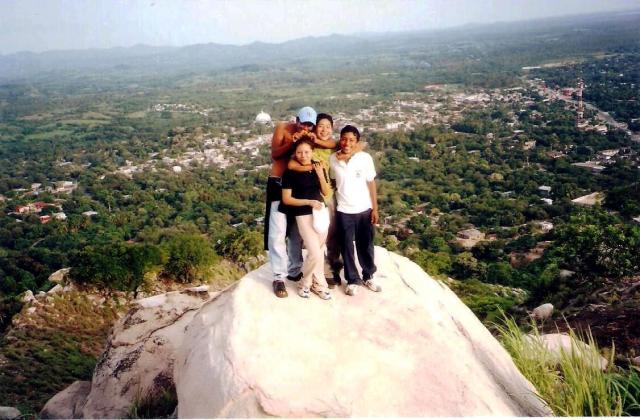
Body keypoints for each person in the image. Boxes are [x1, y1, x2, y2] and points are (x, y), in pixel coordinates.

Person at [265, 106, 316, 298]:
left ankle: (295, 271)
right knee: (278, 230)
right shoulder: (283, 128)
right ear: (296, 120)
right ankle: (279, 276)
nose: (306, 127)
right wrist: (291, 143)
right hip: (278, 183)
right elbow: (275, 155)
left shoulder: (310, 137)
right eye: (303, 122)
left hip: (298, 186)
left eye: (310, 124)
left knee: (296, 232)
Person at [329, 125, 381, 296]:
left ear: (357, 142)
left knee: (365, 245)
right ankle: (352, 279)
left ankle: (368, 275)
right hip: (344, 210)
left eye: (351, 140)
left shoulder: (364, 158)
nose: (347, 143)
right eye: (344, 138)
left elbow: (371, 183)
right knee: (346, 247)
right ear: (340, 139)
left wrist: (375, 208)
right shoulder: (333, 160)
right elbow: (334, 182)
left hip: (364, 209)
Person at [281, 137, 332, 299]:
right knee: (315, 252)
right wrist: (308, 202)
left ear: (312, 152)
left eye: (306, 152)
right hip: (302, 214)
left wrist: (320, 174)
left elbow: (326, 192)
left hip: (320, 213)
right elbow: (287, 199)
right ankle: (305, 282)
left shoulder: (318, 167)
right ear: (295, 154)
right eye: (299, 152)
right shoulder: (290, 173)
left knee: (319, 249)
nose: (303, 155)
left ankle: (317, 284)